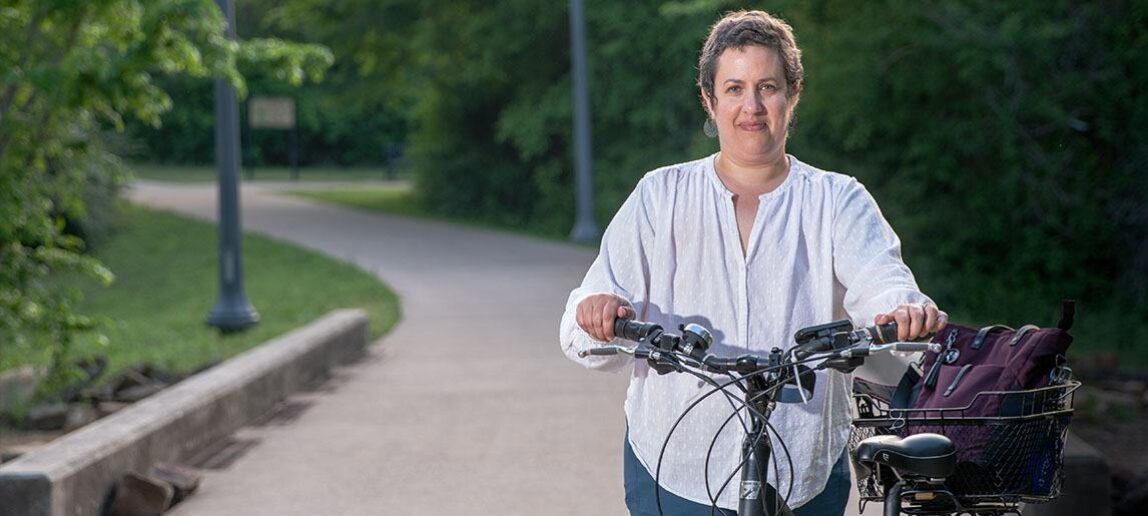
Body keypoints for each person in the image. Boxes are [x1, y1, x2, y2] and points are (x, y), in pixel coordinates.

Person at [559, 9, 948, 516]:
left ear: (793, 94)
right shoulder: (660, 195)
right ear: (710, 98)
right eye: (735, 88)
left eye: (768, 87)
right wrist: (599, 310)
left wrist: (904, 313)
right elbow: (589, 316)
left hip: (802, 458)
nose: (752, 107)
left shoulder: (837, 199)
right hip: (673, 459)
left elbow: (883, 281)